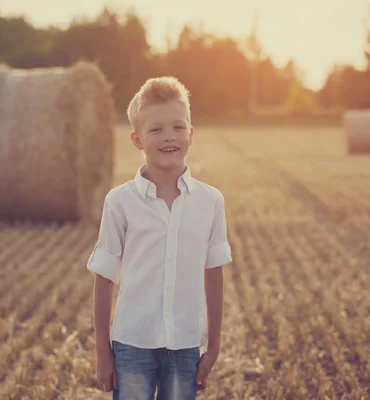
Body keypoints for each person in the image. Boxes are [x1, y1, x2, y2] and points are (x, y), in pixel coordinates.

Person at [87, 76, 233, 399]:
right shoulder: (119, 202)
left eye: (178, 127)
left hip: (185, 347)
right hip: (131, 345)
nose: (170, 137)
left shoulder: (211, 202)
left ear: (191, 135)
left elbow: (214, 274)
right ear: (137, 140)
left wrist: (215, 344)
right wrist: (102, 351)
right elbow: (104, 279)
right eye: (156, 129)